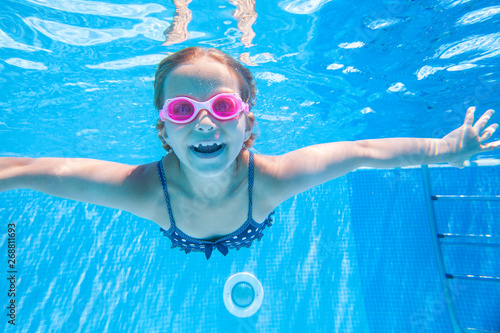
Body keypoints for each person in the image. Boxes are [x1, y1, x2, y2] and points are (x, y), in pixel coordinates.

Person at [1, 47, 499, 259]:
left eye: (221, 106)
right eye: (182, 109)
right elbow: (48, 171)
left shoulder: (275, 177)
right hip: (186, 227)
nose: (203, 121)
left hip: (246, 223)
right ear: (164, 134)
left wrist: (443, 149)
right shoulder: (146, 190)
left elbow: (361, 151)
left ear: (248, 125)